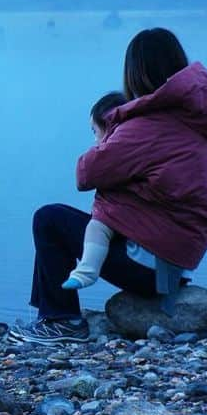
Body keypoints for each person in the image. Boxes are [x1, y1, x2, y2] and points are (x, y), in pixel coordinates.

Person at [12, 27, 207, 344]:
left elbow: (86, 174)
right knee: (66, 219)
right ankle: (50, 313)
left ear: (135, 73)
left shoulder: (150, 125)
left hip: (151, 267)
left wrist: (114, 126)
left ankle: (62, 321)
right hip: (179, 263)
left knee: (49, 219)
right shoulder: (203, 117)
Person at [60, 90, 127, 292]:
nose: (95, 140)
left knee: (96, 225)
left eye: (95, 132)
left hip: (136, 243)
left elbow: (84, 176)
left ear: (108, 127)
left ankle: (86, 272)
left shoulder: (121, 149)